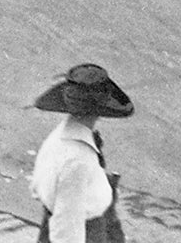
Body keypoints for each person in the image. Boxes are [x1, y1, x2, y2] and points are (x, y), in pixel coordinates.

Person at [31, 63, 134, 242]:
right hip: (88, 230)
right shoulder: (77, 160)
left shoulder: (60, 136)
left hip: (86, 218)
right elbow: (67, 226)